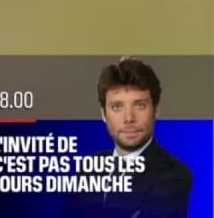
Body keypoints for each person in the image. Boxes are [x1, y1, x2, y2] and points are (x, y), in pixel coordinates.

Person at [63, 58, 193, 218]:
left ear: (156, 110)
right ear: (104, 114)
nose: (129, 118)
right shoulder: (89, 169)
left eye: (140, 105)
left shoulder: (173, 176)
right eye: (117, 107)